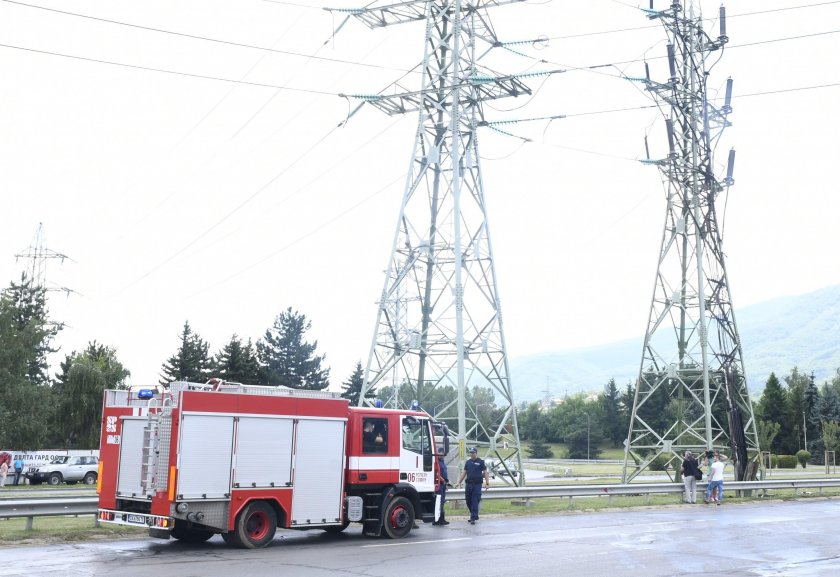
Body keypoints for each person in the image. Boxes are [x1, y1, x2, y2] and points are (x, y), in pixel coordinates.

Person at [456, 447, 490, 524]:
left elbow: (485, 473)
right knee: (468, 501)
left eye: (473, 453)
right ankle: (474, 515)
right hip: (468, 484)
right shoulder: (468, 462)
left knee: (475, 500)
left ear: (476, 453)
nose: (471, 454)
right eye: (470, 453)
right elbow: (464, 473)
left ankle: (473, 517)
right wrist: (458, 482)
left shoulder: (481, 462)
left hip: (477, 484)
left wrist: (487, 483)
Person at [432, 458, 450, 526]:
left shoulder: (443, 462)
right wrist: (443, 480)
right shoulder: (437, 462)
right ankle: (440, 519)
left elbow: (444, 473)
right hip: (439, 484)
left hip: (443, 484)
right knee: (439, 502)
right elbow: (437, 473)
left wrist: (446, 484)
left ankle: (439, 519)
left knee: (441, 502)